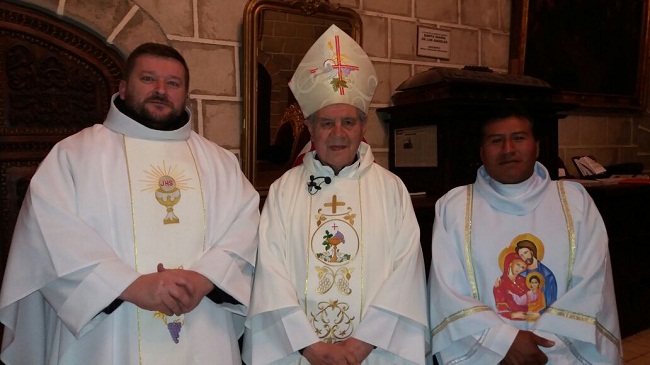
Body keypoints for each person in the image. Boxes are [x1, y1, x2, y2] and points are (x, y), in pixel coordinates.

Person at [0, 43, 260, 364]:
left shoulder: (220, 162)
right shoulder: (74, 155)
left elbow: (245, 230)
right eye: (148, 79)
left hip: (204, 327)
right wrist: (130, 286)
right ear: (123, 89)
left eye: (173, 83)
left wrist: (206, 278)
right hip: (106, 336)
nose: (161, 90)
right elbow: (48, 235)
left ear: (186, 95)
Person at [243, 25, 430, 365]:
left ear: (363, 128)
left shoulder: (391, 189)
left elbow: (406, 275)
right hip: (301, 354)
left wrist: (360, 346)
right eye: (327, 123)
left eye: (349, 122)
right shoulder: (286, 188)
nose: (339, 133)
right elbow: (270, 271)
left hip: (372, 353)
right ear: (311, 129)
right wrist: (310, 347)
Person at [428, 107, 621, 364]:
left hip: (564, 351)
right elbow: (447, 290)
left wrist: (543, 345)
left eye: (518, 138)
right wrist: (504, 342)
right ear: (482, 151)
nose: (508, 148)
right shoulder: (454, 206)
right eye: (496, 140)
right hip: (491, 354)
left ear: (537, 146)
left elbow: (593, 283)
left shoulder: (575, 201)